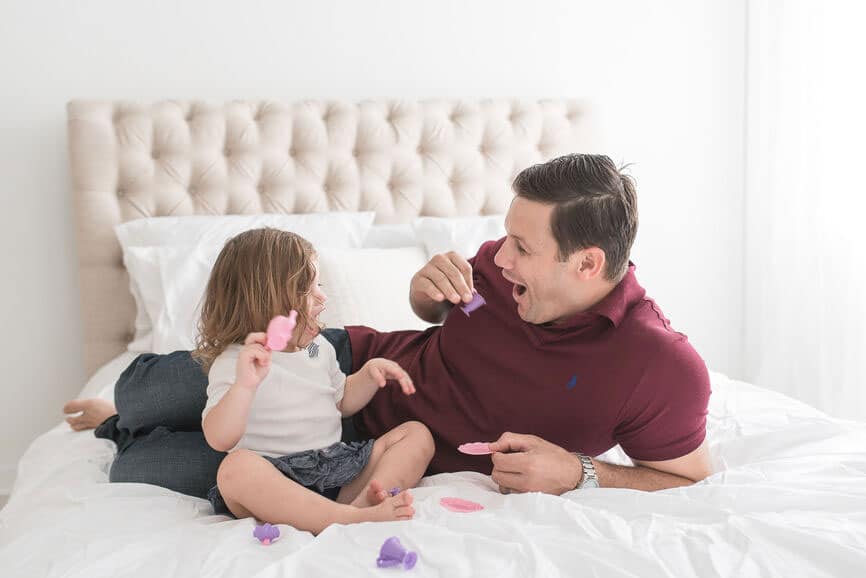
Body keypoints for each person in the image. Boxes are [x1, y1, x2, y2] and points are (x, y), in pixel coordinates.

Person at [65, 153, 711, 498]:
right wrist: (423, 295)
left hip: (360, 455)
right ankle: (121, 407)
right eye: (504, 238)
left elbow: (687, 477)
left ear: (588, 263)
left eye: (522, 247)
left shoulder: (660, 368)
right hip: (337, 363)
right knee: (147, 391)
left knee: (142, 464)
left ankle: (121, 432)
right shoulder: (497, 269)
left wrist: (581, 473)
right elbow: (455, 322)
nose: (499, 255)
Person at [168, 228, 432, 534]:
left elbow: (341, 401)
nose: (322, 296)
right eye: (307, 289)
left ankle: (355, 509)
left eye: (318, 284)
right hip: (277, 483)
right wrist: (245, 385)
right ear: (266, 301)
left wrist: (368, 376)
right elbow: (219, 439)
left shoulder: (320, 350)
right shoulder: (237, 361)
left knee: (417, 434)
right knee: (234, 469)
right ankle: (348, 519)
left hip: (337, 469)